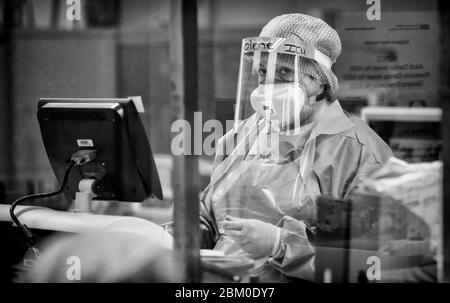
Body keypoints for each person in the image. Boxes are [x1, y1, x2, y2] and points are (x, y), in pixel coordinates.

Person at [179, 13, 393, 282]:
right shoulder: (245, 133)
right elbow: (210, 216)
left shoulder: (359, 152)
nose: (270, 85)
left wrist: (280, 244)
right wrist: (177, 237)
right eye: (263, 72)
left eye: (284, 72)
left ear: (320, 81)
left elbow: (372, 260)